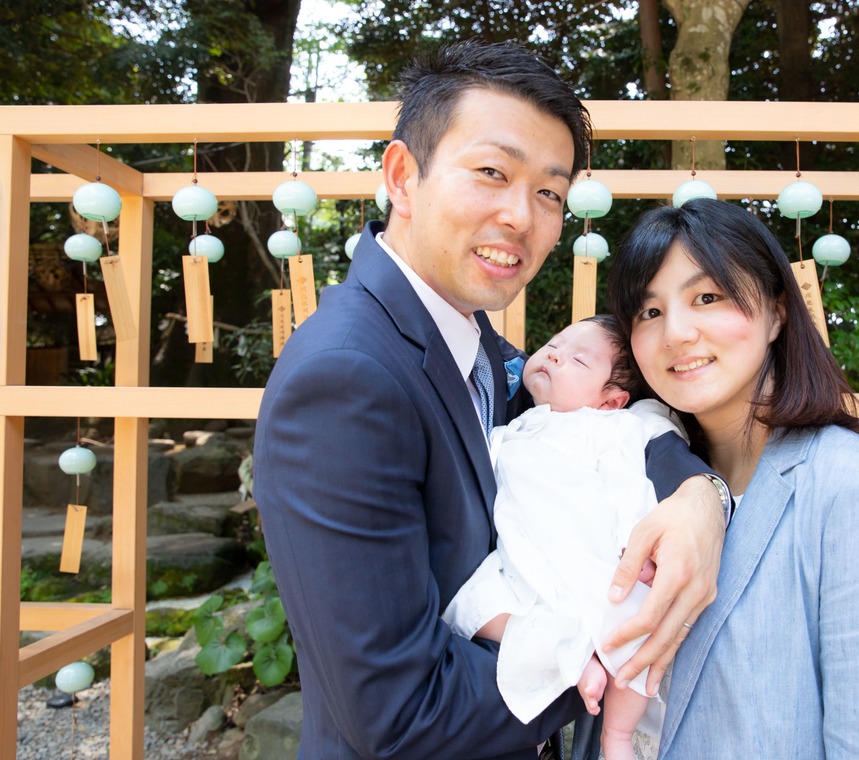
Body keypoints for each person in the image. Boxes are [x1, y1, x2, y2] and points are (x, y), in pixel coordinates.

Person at [252, 41, 728, 760]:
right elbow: (396, 711)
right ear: (402, 176)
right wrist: (608, 651)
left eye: (548, 193)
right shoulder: (346, 376)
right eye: (492, 173)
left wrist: (701, 497)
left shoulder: (492, 355)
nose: (521, 216)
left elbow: (626, 425)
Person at [608, 198, 859, 758]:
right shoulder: (629, 472)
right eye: (649, 312)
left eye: (707, 297)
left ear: (777, 312)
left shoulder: (858, 492)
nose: (676, 333)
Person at [444, 316, 679, 760]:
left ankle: (618, 735)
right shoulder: (508, 431)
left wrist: (636, 537)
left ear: (611, 400)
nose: (554, 353)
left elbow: (629, 481)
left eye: (577, 359)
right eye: (554, 342)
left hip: (590, 557)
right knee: (473, 606)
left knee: (633, 625)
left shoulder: (607, 428)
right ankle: (571, 662)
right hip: (524, 562)